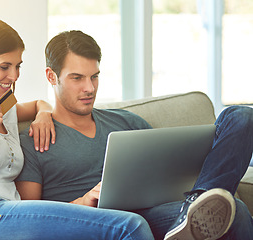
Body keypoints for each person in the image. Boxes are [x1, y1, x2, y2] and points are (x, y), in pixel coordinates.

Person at [0, 19, 155, 240]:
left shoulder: (3, 106)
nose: (14, 76)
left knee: (128, 223)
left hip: (10, 212)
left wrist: (43, 113)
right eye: (4, 67)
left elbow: (39, 103)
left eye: (18, 66)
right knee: (128, 227)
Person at [16, 30, 253, 240]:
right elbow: (30, 220)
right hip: (106, 224)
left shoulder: (126, 122)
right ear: (51, 76)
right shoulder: (33, 140)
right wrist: (83, 202)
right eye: (77, 78)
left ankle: (197, 202)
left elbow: (165, 168)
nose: (89, 88)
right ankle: (196, 211)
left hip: (159, 211)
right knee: (234, 211)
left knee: (241, 117)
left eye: (94, 76)